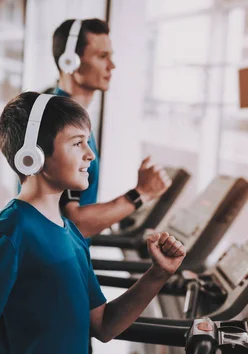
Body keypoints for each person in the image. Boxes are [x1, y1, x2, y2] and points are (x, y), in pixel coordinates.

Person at [0, 92, 186, 354]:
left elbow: (104, 325)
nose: (89, 155)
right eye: (77, 143)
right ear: (33, 155)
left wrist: (157, 275)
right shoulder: (10, 231)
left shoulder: (71, 234)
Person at [52, 18, 171, 238]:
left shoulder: (69, 114)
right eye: (102, 56)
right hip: (55, 263)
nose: (112, 66)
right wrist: (141, 193)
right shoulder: (61, 120)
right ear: (70, 61)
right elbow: (74, 222)